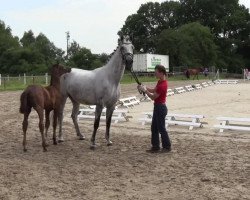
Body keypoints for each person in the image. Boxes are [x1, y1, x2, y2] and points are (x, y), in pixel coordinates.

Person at [137, 65, 171, 153]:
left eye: (156, 72)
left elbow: (153, 97)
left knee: (161, 128)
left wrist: (145, 91)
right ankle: (155, 146)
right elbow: (152, 90)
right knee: (154, 128)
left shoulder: (162, 85)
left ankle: (167, 146)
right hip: (157, 107)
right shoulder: (160, 82)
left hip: (160, 108)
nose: (155, 74)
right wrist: (144, 87)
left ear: (161, 73)